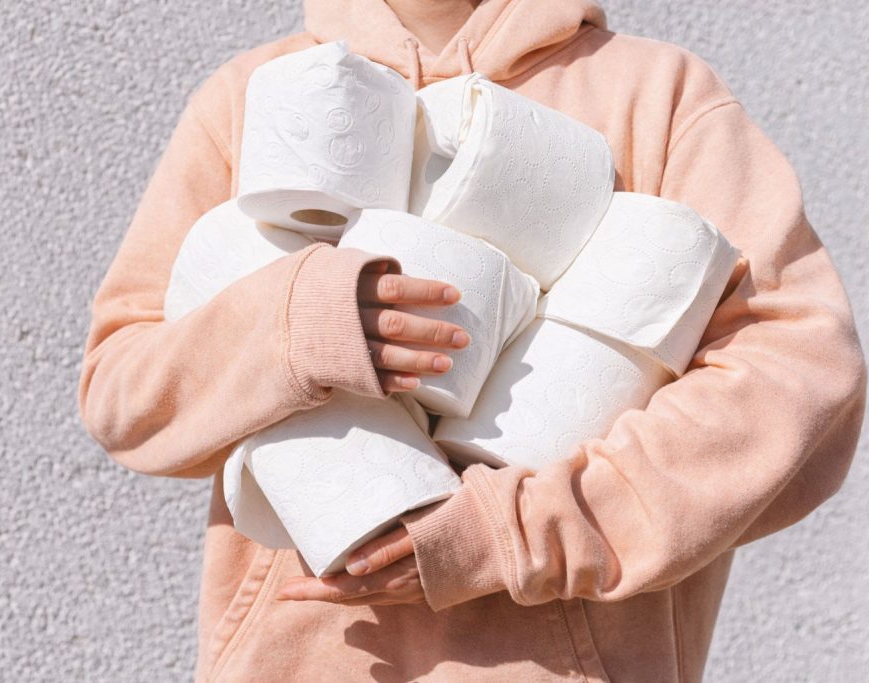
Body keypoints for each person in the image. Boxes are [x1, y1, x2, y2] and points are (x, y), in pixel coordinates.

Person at [77, 0, 867, 680]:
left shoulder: (658, 96)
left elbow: (800, 373)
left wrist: (516, 530)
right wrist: (299, 324)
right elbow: (122, 388)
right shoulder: (256, 99)